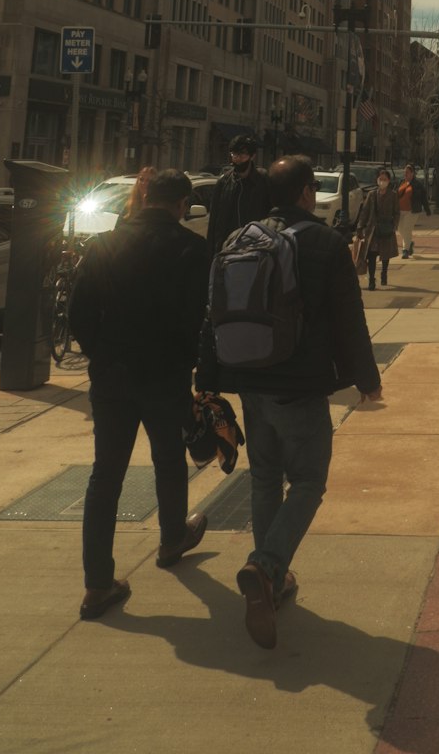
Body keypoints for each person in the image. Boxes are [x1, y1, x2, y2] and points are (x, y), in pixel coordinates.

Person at [198, 155, 382, 648]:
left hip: (249, 380)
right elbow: (349, 317)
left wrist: (208, 376)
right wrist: (367, 378)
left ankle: (272, 583)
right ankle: (266, 564)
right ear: (306, 192)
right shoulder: (325, 243)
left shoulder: (239, 239)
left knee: (264, 478)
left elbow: (212, 314)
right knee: (307, 481)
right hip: (299, 387)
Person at [69, 169, 211, 622]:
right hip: (165, 374)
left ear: (145, 196)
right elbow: (199, 320)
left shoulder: (103, 244)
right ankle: (172, 538)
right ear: (182, 203)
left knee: (104, 477)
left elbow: (79, 314)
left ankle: (97, 585)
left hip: (112, 374)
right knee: (169, 458)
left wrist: (102, 354)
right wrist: (189, 362)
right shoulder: (192, 249)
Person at [206, 133, 272, 255]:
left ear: (252, 156)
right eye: (234, 155)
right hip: (228, 248)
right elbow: (214, 219)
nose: (237, 159)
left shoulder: (263, 180)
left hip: (256, 248)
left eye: (242, 155)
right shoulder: (224, 182)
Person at [355, 167, 400, 289]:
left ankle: (384, 273)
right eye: (380, 179)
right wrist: (360, 227)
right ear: (377, 180)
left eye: (385, 179)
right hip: (373, 230)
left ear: (389, 181)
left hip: (386, 229)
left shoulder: (393, 195)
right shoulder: (371, 195)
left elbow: (396, 212)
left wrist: (394, 225)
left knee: (385, 254)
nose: (382, 182)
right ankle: (371, 280)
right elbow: (365, 212)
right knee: (371, 255)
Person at [396, 163, 431, 257]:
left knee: (407, 229)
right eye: (404, 172)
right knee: (400, 228)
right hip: (400, 211)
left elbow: (423, 198)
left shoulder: (417, 185)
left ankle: (405, 250)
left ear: (412, 173)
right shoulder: (401, 182)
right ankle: (410, 243)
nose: (405, 174)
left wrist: (427, 210)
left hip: (412, 211)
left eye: (407, 172)